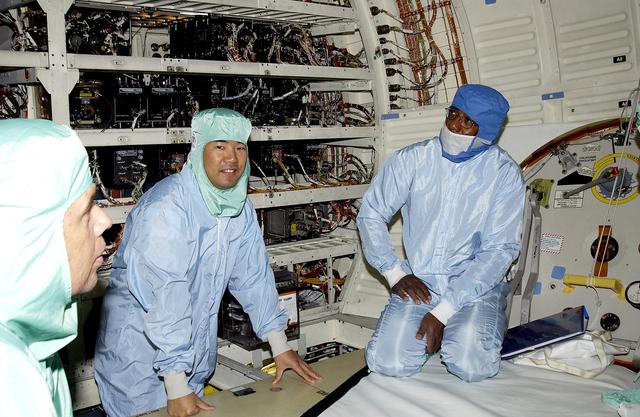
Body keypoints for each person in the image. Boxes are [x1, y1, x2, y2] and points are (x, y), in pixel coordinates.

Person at [94, 108, 321, 417]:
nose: (233, 158)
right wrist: (175, 383)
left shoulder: (238, 207)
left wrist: (280, 345)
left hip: (191, 362)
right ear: (198, 149)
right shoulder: (166, 209)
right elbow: (165, 298)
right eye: (220, 146)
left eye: (240, 147)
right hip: (140, 364)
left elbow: (253, 277)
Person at [357, 84, 525, 382]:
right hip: (423, 284)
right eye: (453, 114)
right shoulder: (412, 159)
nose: (453, 125)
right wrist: (395, 273)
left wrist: (444, 312)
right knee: (388, 362)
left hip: (475, 288)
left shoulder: (504, 174)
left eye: (467, 121)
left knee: (471, 365)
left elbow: (499, 250)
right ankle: (442, 331)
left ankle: (470, 323)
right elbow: (371, 214)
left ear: (486, 131)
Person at [0, 119, 112, 416]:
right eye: (88, 207)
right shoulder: (7, 375)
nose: (105, 221)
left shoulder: (31, 348)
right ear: (32, 230)